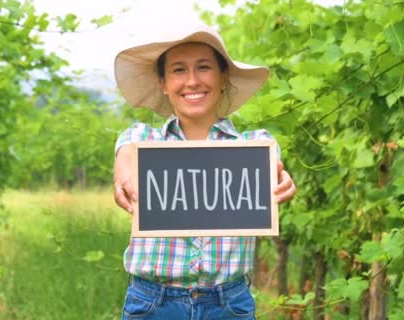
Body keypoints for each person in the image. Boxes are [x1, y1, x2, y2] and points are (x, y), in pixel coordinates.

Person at [112, 25, 297, 319]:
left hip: (228, 305)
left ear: (223, 77)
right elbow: (126, 148)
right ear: (163, 82)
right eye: (178, 70)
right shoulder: (144, 140)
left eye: (204, 67)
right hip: (152, 304)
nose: (192, 80)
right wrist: (122, 168)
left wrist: (281, 181)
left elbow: (274, 168)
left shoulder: (254, 145)